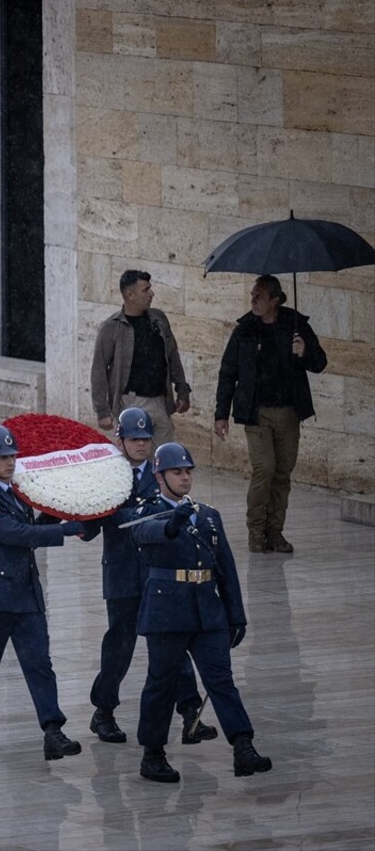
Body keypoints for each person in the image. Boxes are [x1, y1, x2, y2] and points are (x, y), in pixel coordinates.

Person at [130, 442, 272, 783]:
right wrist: (172, 522)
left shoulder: (207, 515)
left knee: (221, 681)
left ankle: (243, 746)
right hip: (167, 612)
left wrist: (235, 613)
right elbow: (146, 534)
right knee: (161, 684)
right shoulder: (146, 511)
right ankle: (153, 754)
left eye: (188, 472)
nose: (184, 478)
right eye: (177, 472)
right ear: (159, 476)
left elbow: (226, 568)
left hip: (207, 612)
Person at [0, 424, 87, 760]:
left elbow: (29, 528)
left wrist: (58, 512)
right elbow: (14, 534)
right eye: (3, 457)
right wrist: (65, 530)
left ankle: (53, 730)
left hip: (26, 594)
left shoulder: (19, 491)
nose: (10, 463)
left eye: (13, 456)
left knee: (39, 663)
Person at [87, 407, 215, 746]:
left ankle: (189, 712)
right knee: (120, 645)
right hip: (122, 572)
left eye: (145, 439)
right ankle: (103, 711)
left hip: (157, 573)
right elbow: (100, 518)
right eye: (134, 439)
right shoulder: (108, 474)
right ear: (121, 440)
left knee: (171, 644)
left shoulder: (158, 473)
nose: (141, 445)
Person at [214, 274, 327, 554]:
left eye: (259, 296)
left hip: (288, 411)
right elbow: (228, 372)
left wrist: (305, 351)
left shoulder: (296, 324)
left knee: (282, 472)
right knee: (264, 468)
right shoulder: (245, 330)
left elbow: (320, 363)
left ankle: (275, 531)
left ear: (275, 301)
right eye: (253, 295)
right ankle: (255, 531)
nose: (253, 301)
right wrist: (221, 413)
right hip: (257, 411)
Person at [91, 270, 191, 445]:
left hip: (160, 402)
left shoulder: (158, 319)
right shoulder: (111, 327)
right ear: (130, 295)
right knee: (135, 461)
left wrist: (182, 390)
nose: (151, 294)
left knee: (163, 462)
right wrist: (102, 411)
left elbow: (172, 356)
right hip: (131, 403)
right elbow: (99, 369)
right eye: (146, 290)